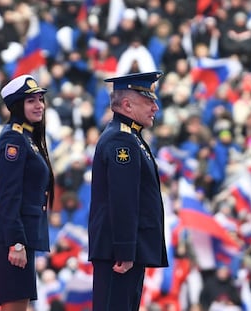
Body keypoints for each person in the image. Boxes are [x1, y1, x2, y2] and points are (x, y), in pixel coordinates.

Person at [88, 71, 168, 311]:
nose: (155, 107)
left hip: (126, 250)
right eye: (149, 101)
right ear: (127, 104)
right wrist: (125, 249)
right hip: (119, 253)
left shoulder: (131, 137)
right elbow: (123, 200)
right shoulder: (121, 140)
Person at [0, 74, 55, 311]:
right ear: (17, 106)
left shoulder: (27, 138)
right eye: (31, 101)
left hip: (23, 237)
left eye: (40, 99)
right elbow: (9, 196)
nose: (39, 105)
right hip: (13, 239)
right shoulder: (13, 139)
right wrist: (16, 243)